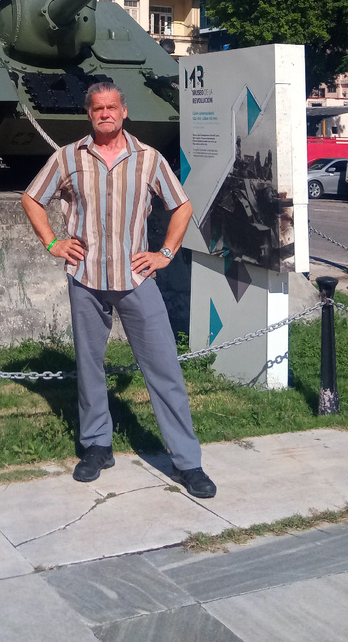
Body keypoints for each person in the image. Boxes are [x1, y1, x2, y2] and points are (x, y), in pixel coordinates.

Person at [21, 81, 216, 498]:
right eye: (98, 108)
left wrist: (165, 252)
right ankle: (97, 446)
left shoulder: (149, 159)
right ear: (89, 114)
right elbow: (32, 198)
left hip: (136, 280)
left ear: (124, 111)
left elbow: (182, 205)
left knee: (164, 367)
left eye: (112, 107)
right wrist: (53, 243)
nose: (105, 114)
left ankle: (187, 461)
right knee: (90, 366)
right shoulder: (68, 158)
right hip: (86, 277)